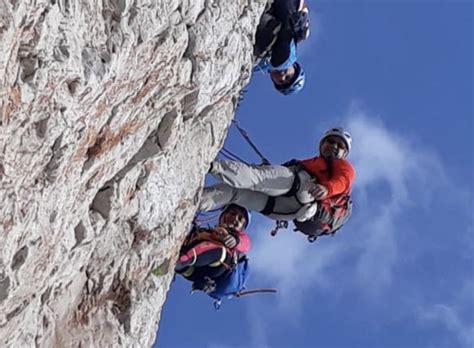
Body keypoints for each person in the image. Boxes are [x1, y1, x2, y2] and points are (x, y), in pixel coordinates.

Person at [199, 128, 355, 241]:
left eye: (340, 146)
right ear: (322, 144)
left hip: (305, 192)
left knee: (257, 177)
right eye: (331, 141)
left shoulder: (343, 166)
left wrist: (326, 189)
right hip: (287, 211)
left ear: (345, 154)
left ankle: (209, 165)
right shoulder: (313, 163)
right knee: (236, 193)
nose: (334, 146)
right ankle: (198, 202)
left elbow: (343, 181)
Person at [175, 204, 251, 306]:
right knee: (197, 239)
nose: (235, 219)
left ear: (241, 229)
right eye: (232, 213)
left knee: (221, 252)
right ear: (222, 216)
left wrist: (235, 240)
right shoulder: (206, 232)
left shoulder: (238, 239)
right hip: (197, 272)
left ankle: (183, 262)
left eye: (240, 219)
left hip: (217, 269)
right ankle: (181, 266)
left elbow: (245, 244)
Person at [253, 0, 310, 95]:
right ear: (295, 66)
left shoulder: (258, 67)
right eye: (288, 77)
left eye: (280, 81)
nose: (283, 76)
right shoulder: (288, 56)